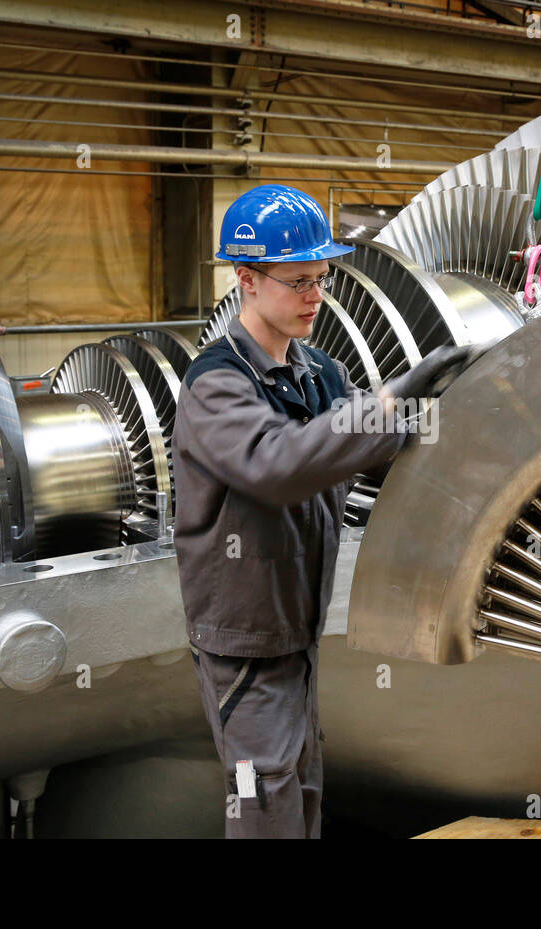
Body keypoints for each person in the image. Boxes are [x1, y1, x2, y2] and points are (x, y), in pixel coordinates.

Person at [171, 184, 481, 838]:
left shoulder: (320, 373)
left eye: (322, 277)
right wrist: (392, 398)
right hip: (245, 648)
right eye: (299, 281)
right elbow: (277, 464)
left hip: (297, 632)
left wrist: (449, 409)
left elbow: (358, 447)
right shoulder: (216, 383)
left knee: (304, 787)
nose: (316, 295)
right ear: (247, 280)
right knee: (260, 795)